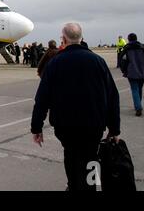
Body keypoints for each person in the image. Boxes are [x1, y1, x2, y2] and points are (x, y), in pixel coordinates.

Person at [31, 23, 120, 191]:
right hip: (93, 125)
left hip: (66, 126)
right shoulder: (98, 61)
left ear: (63, 39)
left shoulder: (55, 63)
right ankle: (90, 187)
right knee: (91, 157)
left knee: (70, 156)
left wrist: (36, 127)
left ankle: (73, 185)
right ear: (82, 39)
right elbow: (112, 97)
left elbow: (42, 99)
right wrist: (114, 129)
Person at [119, 33, 144, 116]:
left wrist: (124, 70)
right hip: (142, 72)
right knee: (139, 89)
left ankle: (138, 107)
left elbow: (122, 60)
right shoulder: (143, 48)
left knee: (134, 89)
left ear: (129, 39)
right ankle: (138, 105)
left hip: (131, 72)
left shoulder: (127, 49)